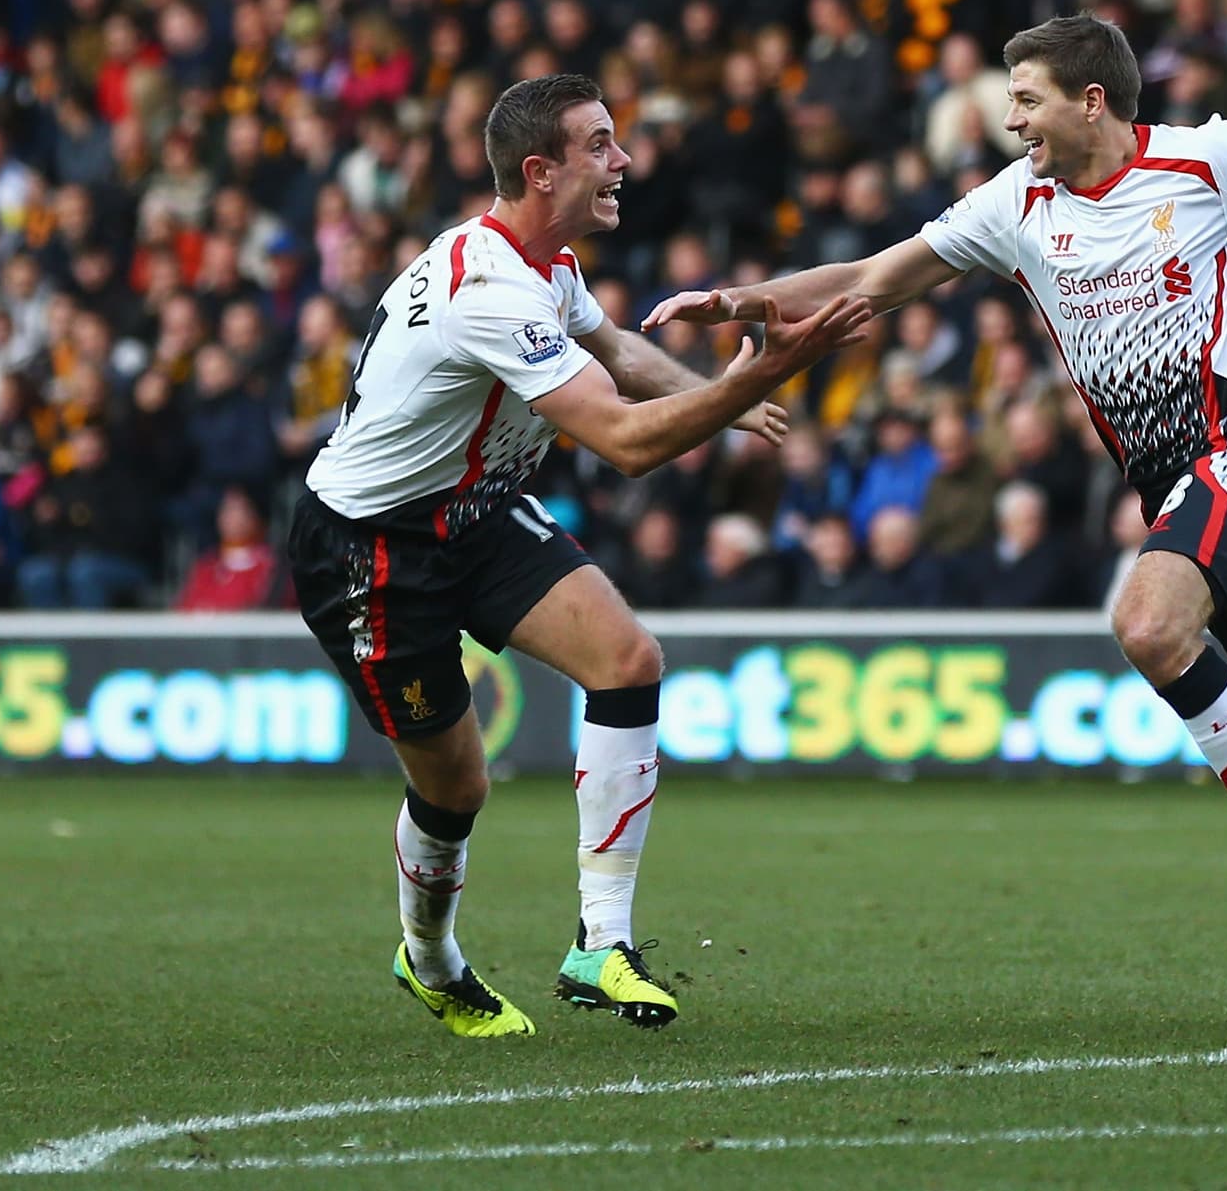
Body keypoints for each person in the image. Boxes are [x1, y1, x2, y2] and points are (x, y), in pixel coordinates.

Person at [648, 15, 1227, 1017]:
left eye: (1027, 100)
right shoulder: (1015, 206)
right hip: (1173, 482)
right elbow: (868, 280)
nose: (1011, 120)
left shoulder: (1211, 160)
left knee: (1146, 622)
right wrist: (744, 300)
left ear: (1089, 101)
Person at [286, 74, 870, 1039]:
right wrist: (759, 374)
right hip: (372, 550)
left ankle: (602, 943)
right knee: (458, 785)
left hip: (470, 515)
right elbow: (628, 443)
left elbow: (619, 358)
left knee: (629, 659)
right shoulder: (490, 291)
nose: (624, 161)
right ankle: (429, 957)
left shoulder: (544, 264)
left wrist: (722, 395)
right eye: (600, 145)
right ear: (538, 170)